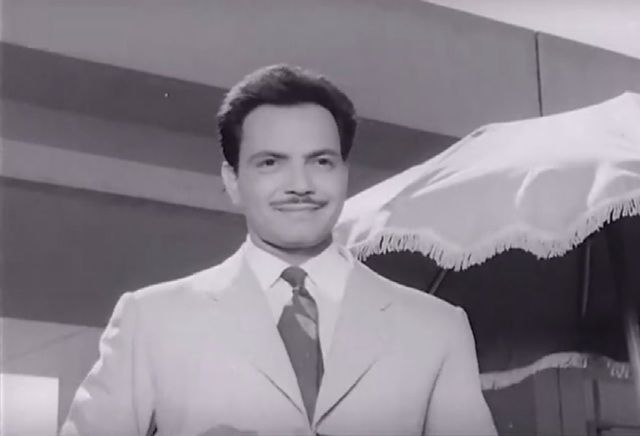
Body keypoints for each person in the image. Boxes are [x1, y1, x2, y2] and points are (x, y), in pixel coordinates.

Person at [61, 64, 497, 436]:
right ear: (232, 180)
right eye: (270, 163)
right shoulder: (152, 320)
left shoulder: (436, 328)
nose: (300, 184)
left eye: (321, 161)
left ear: (344, 173)